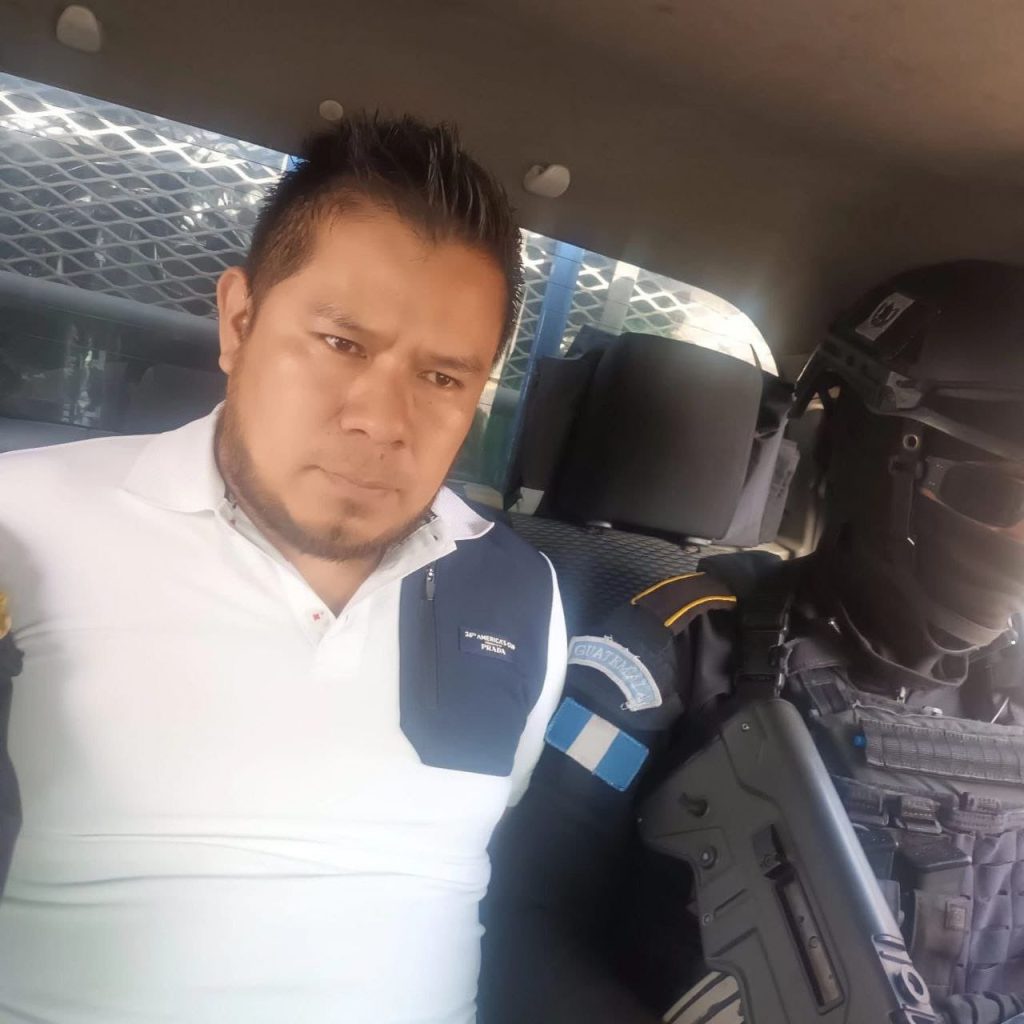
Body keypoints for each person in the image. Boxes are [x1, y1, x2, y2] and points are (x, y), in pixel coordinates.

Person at [0, 114, 566, 1023]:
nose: (380, 420)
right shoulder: (22, 520)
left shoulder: (520, 595)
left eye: (442, 378)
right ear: (239, 322)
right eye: (342, 344)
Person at [480, 260, 1024, 1024]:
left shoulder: (1011, 693)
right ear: (871, 464)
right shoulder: (677, 649)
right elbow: (523, 919)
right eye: (994, 492)